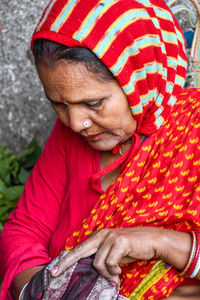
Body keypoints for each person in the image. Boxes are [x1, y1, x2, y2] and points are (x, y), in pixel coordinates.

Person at [1, 0, 200, 299]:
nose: (76, 123)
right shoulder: (70, 134)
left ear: (140, 79)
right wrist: (39, 289)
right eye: (58, 103)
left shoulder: (192, 130)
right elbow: (26, 228)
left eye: (93, 104)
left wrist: (159, 241)